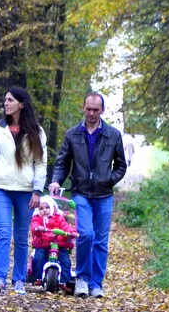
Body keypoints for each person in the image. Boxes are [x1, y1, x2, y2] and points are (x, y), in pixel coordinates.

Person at [48, 91, 129, 297]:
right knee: (85, 234)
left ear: (102, 110)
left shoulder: (113, 135)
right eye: (88, 109)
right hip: (81, 192)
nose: (92, 113)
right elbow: (63, 162)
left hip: (104, 195)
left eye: (96, 110)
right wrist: (56, 180)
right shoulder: (72, 134)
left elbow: (121, 165)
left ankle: (96, 284)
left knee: (101, 241)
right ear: (83, 108)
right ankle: (82, 278)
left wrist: (109, 179)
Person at [0, 86, 48, 295]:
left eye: (10, 100)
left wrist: (37, 191)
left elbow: (40, 164)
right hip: (0, 188)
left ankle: (19, 280)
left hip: (26, 191)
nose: (6, 103)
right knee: (4, 232)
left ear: (21, 104)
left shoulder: (37, 132)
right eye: (5, 100)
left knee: (22, 237)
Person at [28, 194, 77, 293]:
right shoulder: (37, 218)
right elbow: (34, 225)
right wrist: (38, 228)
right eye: (41, 208)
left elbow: (65, 226)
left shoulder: (58, 217)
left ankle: (64, 281)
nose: (44, 210)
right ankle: (37, 277)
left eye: (47, 207)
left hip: (59, 245)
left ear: (52, 208)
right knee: (38, 258)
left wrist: (71, 232)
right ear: (38, 210)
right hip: (43, 244)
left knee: (65, 261)